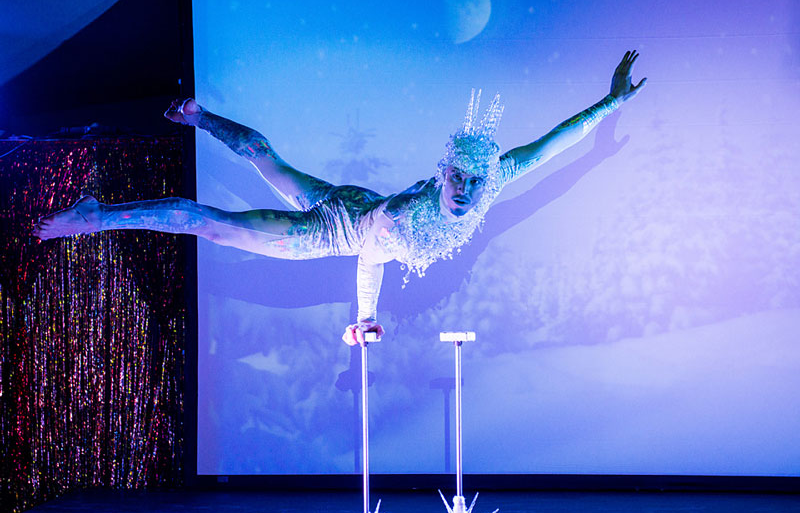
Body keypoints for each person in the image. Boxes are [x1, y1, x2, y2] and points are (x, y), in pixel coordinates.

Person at [34, 51, 646, 346]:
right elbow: (370, 256)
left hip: (349, 200)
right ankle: (98, 215)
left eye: (475, 183)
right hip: (332, 230)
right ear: (444, 173)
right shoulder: (410, 213)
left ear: (488, 178)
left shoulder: (493, 177)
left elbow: (551, 143)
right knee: (212, 224)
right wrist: (364, 315)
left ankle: (197, 117)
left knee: (268, 161)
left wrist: (610, 103)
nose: (465, 192)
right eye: (457, 179)